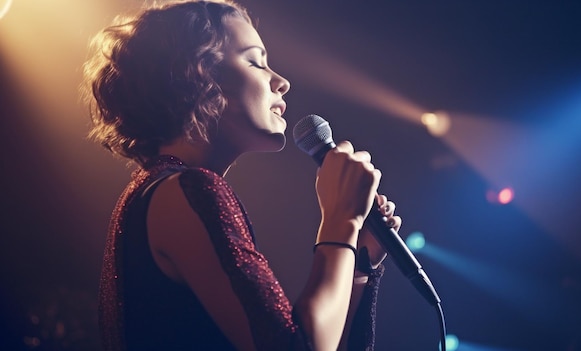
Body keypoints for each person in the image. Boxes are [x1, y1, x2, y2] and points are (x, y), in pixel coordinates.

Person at [82, 1, 402, 350]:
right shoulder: (187, 191)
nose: (281, 82)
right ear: (196, 75)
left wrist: (357, 263)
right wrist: (340, 221)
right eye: (254, 61)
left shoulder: (158, 193)